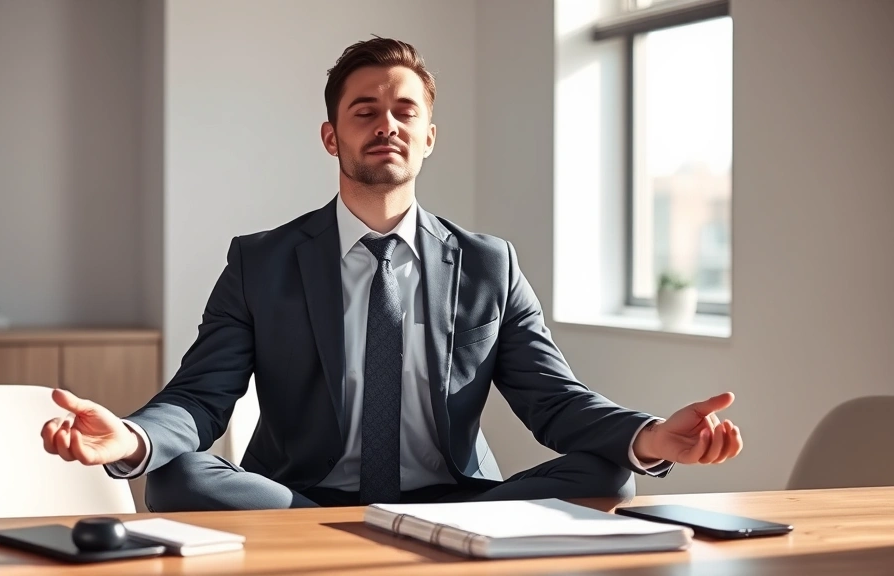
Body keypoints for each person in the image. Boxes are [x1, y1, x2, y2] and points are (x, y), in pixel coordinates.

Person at [40, 37, 742, 511]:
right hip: (301, 502)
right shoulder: (261, 262)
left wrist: (652, 438)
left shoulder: (487, 264)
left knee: (607, 466)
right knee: (174, 471)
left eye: (406, 111)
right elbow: (200, 399)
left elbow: (555, 402)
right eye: (365, 111)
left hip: (458, 504)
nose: (388, 125)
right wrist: (130, 439)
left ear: (429, 137)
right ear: (332, 135)